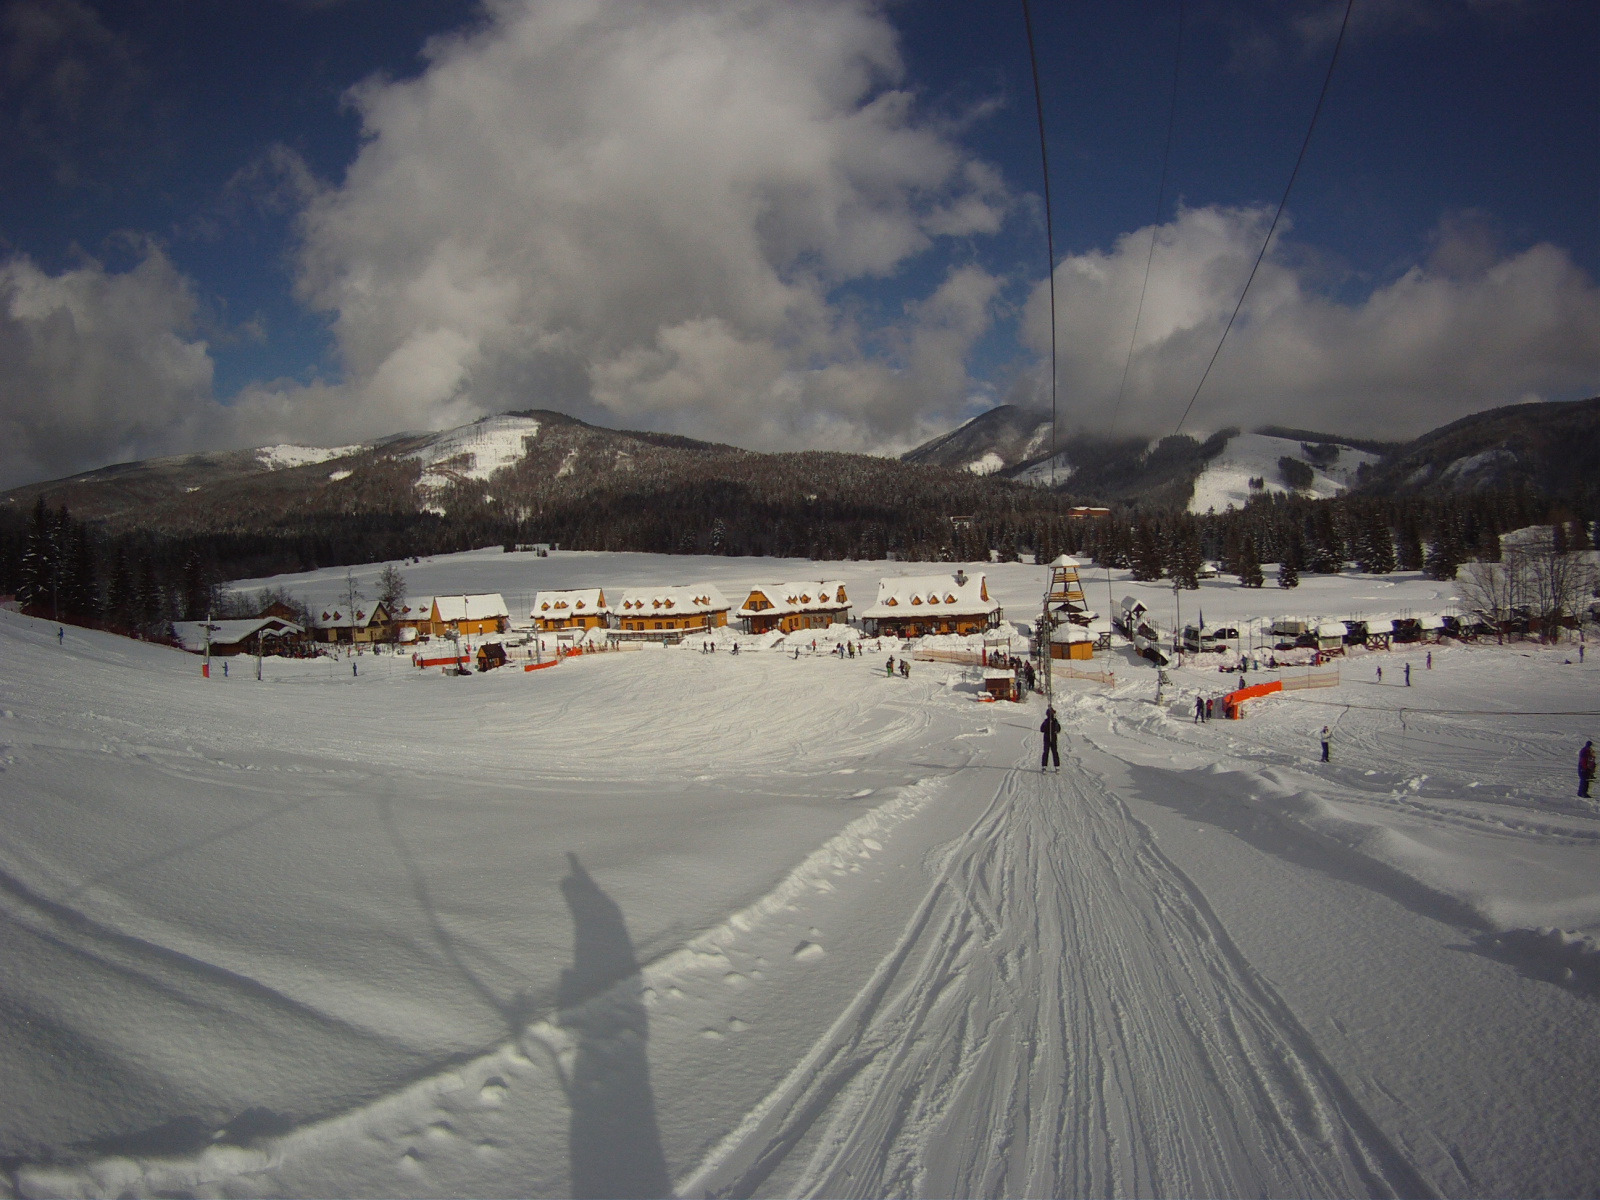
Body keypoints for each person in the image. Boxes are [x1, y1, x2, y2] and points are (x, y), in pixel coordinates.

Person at [1040, 706, 1061, 771]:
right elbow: (1042, 729)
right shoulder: (1046, 721)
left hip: (1053, 739)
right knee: (1047, 752)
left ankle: (1056, 766)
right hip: (1047, 739)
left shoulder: (1055, 721)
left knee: (1054, 752)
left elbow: (1058, 729)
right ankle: (1044, 766)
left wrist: (1055, 729)